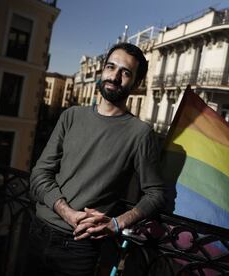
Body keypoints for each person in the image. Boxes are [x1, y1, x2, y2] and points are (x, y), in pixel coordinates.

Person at [28, 42, 166, 276]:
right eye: (111, 67)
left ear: (136, 83)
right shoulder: (71, 116)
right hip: (37, 232)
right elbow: (39, 174)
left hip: (79, 247)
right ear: (102, 71)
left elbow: (155, 193)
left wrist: (116, 223)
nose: (115, 76)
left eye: (126, 72)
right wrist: (66, 212)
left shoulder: (140, 133)